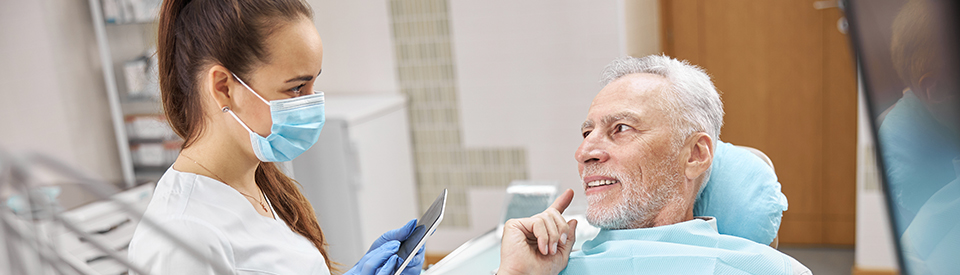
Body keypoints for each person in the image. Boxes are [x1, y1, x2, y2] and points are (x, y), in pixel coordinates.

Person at [127, 0, 424, 274]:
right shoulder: (182, 238)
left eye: (313, 84)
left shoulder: (256, 182)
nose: (311, 104)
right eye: (296, 89)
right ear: (223, 88)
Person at [497, 55, 810, 275]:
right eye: (586, 132)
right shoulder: (541, 269)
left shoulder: (770, 270)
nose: (583, 152)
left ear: (695, 155)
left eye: (621, 128)